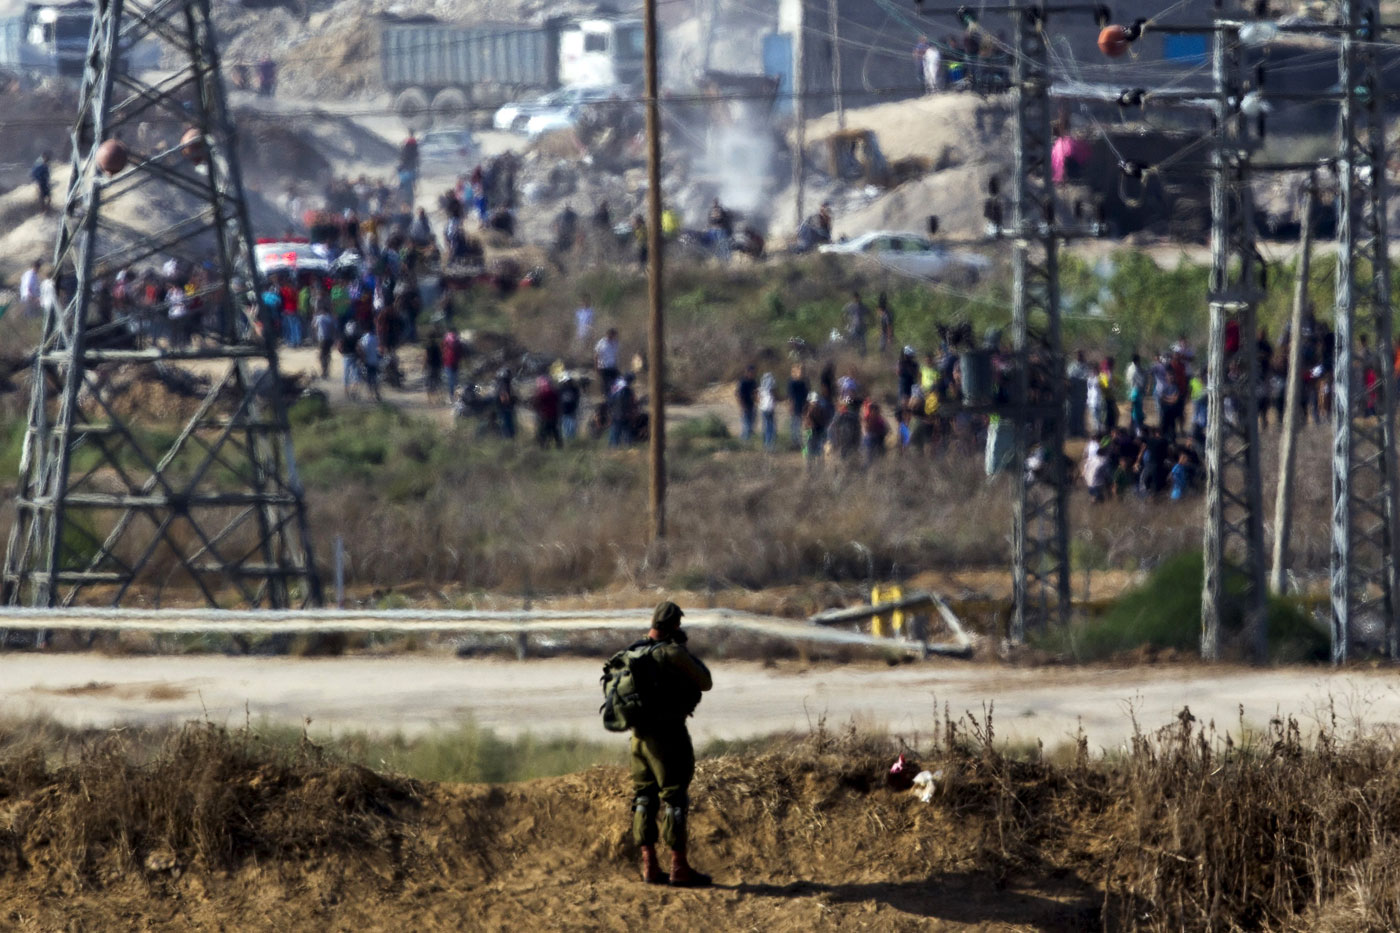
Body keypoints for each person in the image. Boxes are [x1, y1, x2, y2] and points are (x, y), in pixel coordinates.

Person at [624, 601, 714, 887]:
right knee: (674, 799)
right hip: (667, 738)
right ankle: (679, 867)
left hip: (638, 738)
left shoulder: (634, 651)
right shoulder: (672, 653)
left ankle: (649, 866)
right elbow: (705, 681)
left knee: (643, 798)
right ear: (675, 624)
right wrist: (682, 651)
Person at [533, 375, 561, 448]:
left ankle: (544, 445)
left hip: (545, 415)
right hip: (553, 414)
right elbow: (557, 401)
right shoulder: (554, 392)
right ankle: (558, 445)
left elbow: (537, 403)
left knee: (544, 431)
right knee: (554, 430)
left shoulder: (543, 394)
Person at [787, 364, 809, 449]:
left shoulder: (804, 382)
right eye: (799, 371)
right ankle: (795, 443)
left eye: (802, 371)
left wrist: (806, 405)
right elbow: (791, 396)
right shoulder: (792, 383)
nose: (801, 373)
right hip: (795, 407)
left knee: (800, 425)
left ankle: (799, 442)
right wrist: (791, 406)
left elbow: (806, 395)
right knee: (794, 425)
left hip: (802, 406)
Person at [313, 303, 337, 379]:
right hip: (329, 339)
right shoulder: (330, 318)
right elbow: (334, 328)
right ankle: (327, 371)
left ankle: (324, 372)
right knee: (327, 355)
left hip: (322, 339)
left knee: (322, 356)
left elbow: (314, 326)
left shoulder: (319, 318)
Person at [595, 328, 621, 399]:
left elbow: (616, 355)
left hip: (613, 366)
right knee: (605, 384)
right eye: (612, 334)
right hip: (604, 367)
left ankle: (614, 397)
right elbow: (597, 355)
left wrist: (617, 365)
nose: (613, 336)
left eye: (614, 335)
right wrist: (596, 367)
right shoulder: (601, 343)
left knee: (615, 382)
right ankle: (605, 398)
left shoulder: (616, 343)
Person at [843, 291, 869, 356]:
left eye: (858, 297)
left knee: (863, 343)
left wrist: (868, 323)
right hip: (853, 327)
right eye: (855, 297)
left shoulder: (863, 306)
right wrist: (846, 324)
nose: (857, 299)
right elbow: (844, 315)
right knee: (852, 342)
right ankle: (851, 355)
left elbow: (869, 314)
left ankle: (863, 356)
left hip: (862, 327)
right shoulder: (849, 306)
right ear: (853, 298)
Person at [736, 365, 757, 441]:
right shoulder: (742, 382)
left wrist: (757, 401)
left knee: (751, 425)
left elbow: (755, 393)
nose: (753, 374)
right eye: (751, 372)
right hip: (745, 406)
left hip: (752, 405)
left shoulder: (753, 382)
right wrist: (742, 406)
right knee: (746, 425)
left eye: (754, 373)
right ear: (747, 372)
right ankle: (745, 441)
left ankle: (745, 439)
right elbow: (739, 395)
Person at [559, 374, 581, 441]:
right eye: (566, 381)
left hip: (572, 410)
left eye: (568, 381)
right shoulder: (561, 389)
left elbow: (577, 398)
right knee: (565, 427)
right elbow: (558, 399)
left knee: (572, 426)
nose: (567, 382)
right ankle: (567, 440)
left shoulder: (574, 389)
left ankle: (572, 440)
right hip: (564, 411)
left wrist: (575, 406)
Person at [758, 372, 777, 451]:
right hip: (770, 407)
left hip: (763, 408)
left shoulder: (762, 384)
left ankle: (765, 443)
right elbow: (774, 394)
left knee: (765, 426)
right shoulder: (772, 382)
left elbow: (758, 396)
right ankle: (769, 445)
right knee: (770, 427)